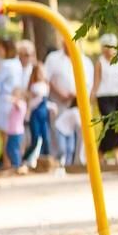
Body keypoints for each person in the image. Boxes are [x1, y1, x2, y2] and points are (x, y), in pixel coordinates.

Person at [43, 38, 92, 167]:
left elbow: (89, 85)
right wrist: (60, 93)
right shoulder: (53, 58)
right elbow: (45, 79)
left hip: (78, 103)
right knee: (57, 132)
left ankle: (79, 162)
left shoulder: (86, 62)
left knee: (82, 130)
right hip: (59, 103)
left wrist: (77, 94)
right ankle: (58, 162)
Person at [93, 33, 118, 166]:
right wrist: (92, 96)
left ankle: (103, 153)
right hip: (104, 96)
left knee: (115, 125)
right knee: (110, 121)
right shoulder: (100, 61)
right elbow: (96, 82)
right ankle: (112, 154)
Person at [0, 38, 22, 168]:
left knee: (4, 135)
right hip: (14, 100)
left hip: (4, 100)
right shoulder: (16, 63)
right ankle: (8, 161)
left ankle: (6, 162)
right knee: (10, 132)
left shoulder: (6, 65)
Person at [25, 66, 53, 171]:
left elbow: (44, 102)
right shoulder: (34, 87)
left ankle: (46, 160)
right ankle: (26, 158)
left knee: (46, 138)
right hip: (36, 115)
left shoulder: (45, 86)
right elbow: (33, 103)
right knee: (35, 139)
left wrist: (51, 107)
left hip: (44, 115)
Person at [3, 87, 28, 173]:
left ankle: (18, 166)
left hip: (17, 132)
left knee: (14, 149)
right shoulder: (14, 106)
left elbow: (17, 104)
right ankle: (16, 165)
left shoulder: (22, 104)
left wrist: (12, 99)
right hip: (11, 131)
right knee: (9, 149)